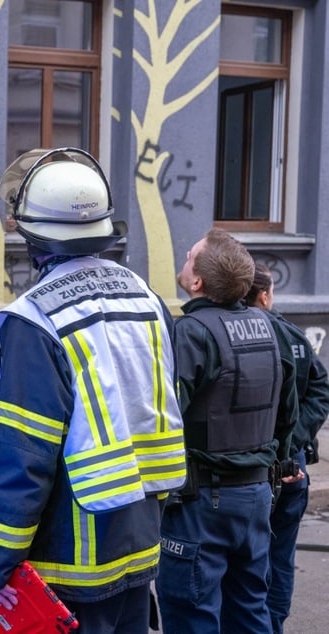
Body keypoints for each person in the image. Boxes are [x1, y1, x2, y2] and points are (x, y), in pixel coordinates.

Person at [0, 147, 187, 633]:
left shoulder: (34, 320)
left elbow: (24, 453)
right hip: (139, 540)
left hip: (70, 555)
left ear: (30, 235)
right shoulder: (145, 296)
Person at [157, 229, 297, 634]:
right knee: (250, 611)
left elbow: (168, 418)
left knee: (192, 614)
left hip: (202, 501)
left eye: (190, 256)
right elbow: (287, 412)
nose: (185, 258)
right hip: (255, 498)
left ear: (198, 282)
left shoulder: (192, 332)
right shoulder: (271, 327)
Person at [245, 262, 329, 633]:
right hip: (288, 466)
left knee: (249, 558)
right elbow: (320, 390)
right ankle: (272, 624)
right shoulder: (291, 335)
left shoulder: (231, 333)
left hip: (251, 467)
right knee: (279, 556)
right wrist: (293, 442)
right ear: (264, 295)